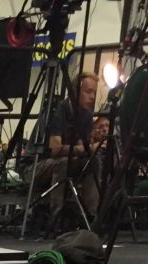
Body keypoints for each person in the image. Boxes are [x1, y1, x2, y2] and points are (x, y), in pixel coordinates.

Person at [33, 71, 101, 224]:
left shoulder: (86, 115)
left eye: (94, 92)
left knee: (94, 162)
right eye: (88, 92)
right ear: (75, 91)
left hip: (64, 160)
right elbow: (55, 149)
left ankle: (91, 217)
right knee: (64, 162)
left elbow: (79, 147)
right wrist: (87, 148)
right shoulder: (58, 112)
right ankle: (56, 218)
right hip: (37, 164)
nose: (92, 97)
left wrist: (91, 147)